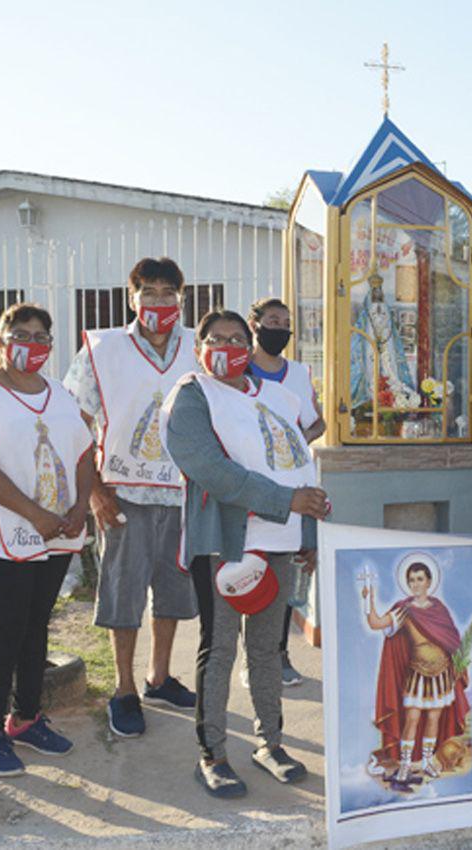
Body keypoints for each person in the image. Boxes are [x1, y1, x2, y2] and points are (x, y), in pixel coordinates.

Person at [164, 309, 331, 798]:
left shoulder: (278, 397)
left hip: (278, 541)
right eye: (216, 339)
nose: (228, 346)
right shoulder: (193, 397)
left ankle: (269, 743)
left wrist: (309, 535)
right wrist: (286, 503)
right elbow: (210, 469)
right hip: (225, 541)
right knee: (219, 650)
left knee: (267, 649)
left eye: (237, 338)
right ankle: (213, 754)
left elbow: (300, 464)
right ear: (198, 349)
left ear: (251, 342)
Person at [0, 304, 95, 777]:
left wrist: (77, 508)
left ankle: (25, 718)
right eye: (19, 333)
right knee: (7, 626)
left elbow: (84, 454)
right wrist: (38, 515)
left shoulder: (62, 395)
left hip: (58, 531)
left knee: (37, 626)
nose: (31, 342)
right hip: (1, 533)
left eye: (41, 335)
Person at [62, 257, 201, 737]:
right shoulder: (103, 350)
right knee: (124, 594)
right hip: (123, 493)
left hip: (183, 494)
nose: (158, 301)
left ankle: (158, 678)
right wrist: (95, 491)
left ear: (181, 299)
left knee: (173, 591)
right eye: (149, 291)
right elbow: (73, 424)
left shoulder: (198, 348)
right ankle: (124, 688)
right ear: (131, 297)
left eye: (168, 292)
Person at [247, 297, 324, 688]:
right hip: (253, 488)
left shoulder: (298, 373)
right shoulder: (239, 370)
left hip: (294, 485)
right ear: (255, 324)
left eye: (286, 322)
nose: (280, 328)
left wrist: (291, 441)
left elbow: (318, 422)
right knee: (252, 571)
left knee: (286, 573)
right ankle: (253, 661)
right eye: (273, 320)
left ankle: (279, 655)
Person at [362, 554, 470, 785]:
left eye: (420, 579)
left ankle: (429, 760)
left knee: (433, 718)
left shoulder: (439, 608)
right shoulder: (404, 610)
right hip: (417, 674)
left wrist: (457, 665)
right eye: (412, 580)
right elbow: (376, 623)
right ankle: (405, 765)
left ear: (429, 581)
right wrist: (368, 601)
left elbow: (451, 638)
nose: (415, 584)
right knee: (412, 719)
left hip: (442, 673)